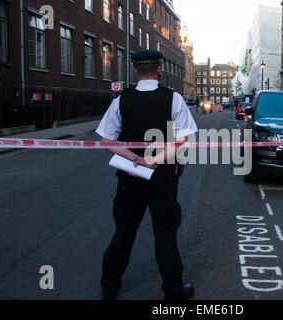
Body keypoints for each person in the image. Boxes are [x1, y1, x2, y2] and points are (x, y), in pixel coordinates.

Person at [96, 50, 198, 300]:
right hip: (163, 177)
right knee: (165, 234)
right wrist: (153, 160)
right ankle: (173, 292)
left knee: (124, 232)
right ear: (160, 69)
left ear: (134, 71)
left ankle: (109, 288)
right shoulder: (173, 99)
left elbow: (107, 140)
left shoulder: (122, 99)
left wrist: (138, 160)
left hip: (130, 175)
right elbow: (182, 140)